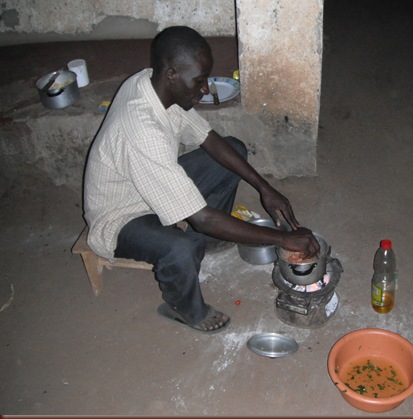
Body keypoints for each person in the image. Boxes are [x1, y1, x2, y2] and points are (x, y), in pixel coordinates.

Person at [83, 26, 320, 334]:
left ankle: (211, 239)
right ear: (172, 74)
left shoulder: (153, 84)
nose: (206, 89)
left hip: (148, 179)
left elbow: (207, 138)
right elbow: (203, 217)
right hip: (120, 215)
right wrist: (282, 239)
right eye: (199, 81)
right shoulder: (142, 128)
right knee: (182, 247)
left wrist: (265, 188)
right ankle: (184, 308)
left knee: (233, 149)